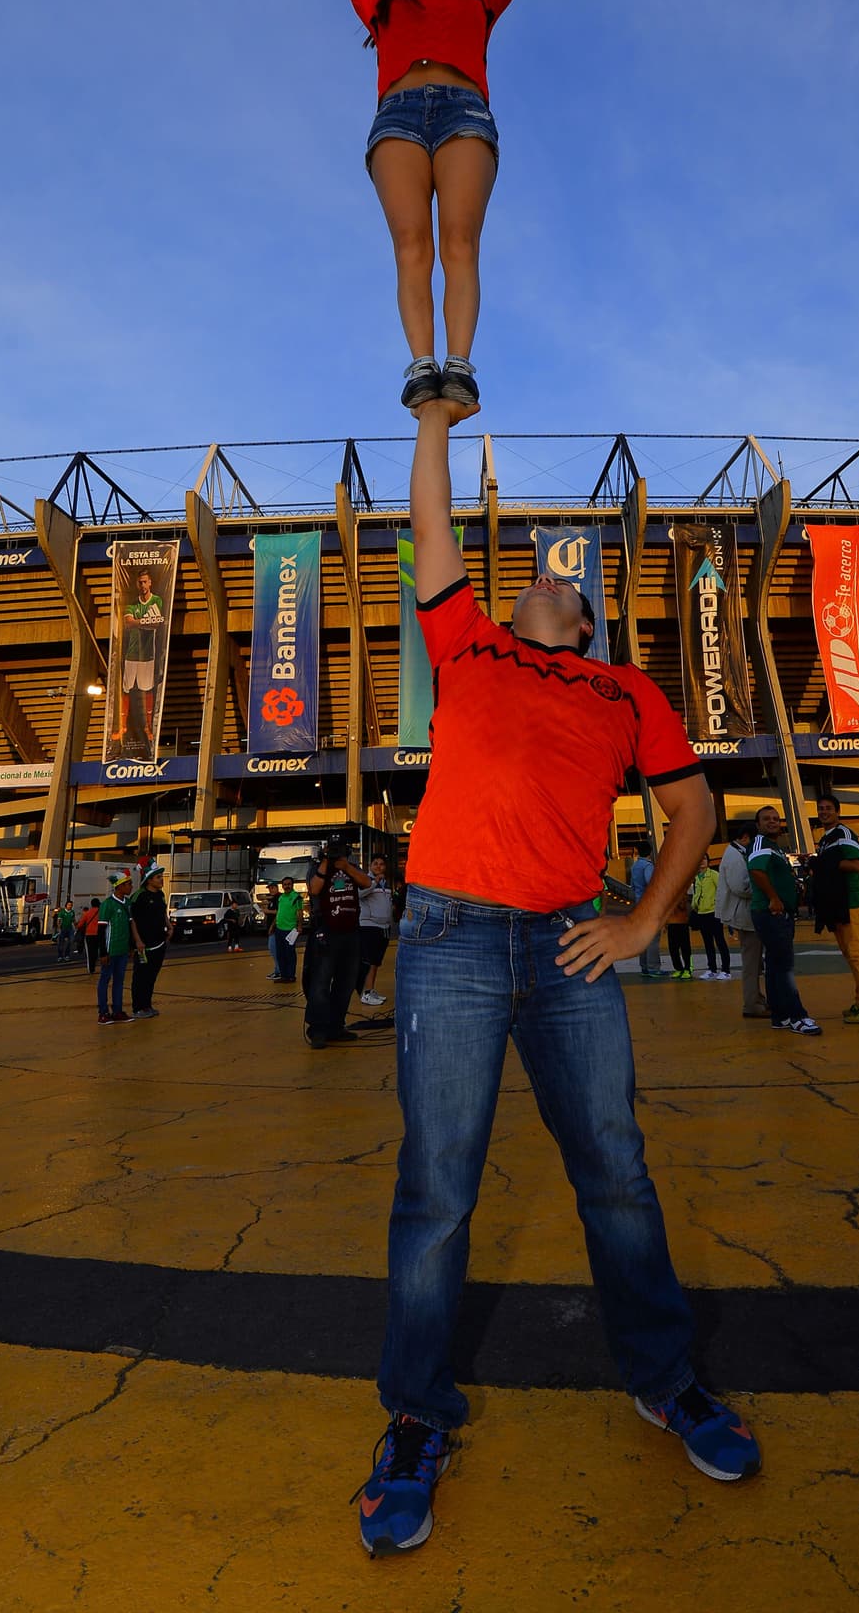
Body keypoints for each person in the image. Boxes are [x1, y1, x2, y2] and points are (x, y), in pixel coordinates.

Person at [353, 399, 759, 1559]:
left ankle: (664, 1380)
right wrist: (433, 416)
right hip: (451, 937)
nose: (539, 583)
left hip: (572, 939)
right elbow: (429, 519)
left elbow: (693, 807)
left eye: (557, 588)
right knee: (437, 1187)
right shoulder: (467, 646)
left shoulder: (625, 692)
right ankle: (418, 1417)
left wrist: (642, 919)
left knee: (615, 1174)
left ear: (581, 623)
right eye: (526, 579)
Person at [244, 0, 620, 419]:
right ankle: (423, 365)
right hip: (395, 119)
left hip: (465, 114)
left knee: (459, 244)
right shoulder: (380, 3)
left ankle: (460, 367)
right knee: (411, 247)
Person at [748, 811, 820, 1035]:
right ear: (757, 824)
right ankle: (797, 1016)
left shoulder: (775, 847)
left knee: (775, 965)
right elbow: (757, 870)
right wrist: (774, 898)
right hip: (772, 913)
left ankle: (780, 1015)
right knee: (784, 966)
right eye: (766, 818)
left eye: (775, 818)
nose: (772, 821)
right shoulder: (760, 843)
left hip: (779, 913)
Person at [810, 797, 859, 1024]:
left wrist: (823, 864)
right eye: (820, 809)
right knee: (850, 955)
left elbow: (857, 866)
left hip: (849, 901)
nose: (823, 812)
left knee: (858, 954)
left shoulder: (844, 835)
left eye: (828, 809)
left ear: (838, 812)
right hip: (836, 903)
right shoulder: (826, 838)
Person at [303, 836, 372, 1048]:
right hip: (326, 931)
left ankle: (336, 1027)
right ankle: (318, 1029)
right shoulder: (317, 867)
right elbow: (314, 889)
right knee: (321, 982)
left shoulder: (352, 867)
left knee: (346, 982)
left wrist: (346, 867)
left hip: (350, 931)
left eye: (339, 849)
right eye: (332, 849)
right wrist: (326, 862)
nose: (336, 853)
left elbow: (367, 882)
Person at [111, 570, 165, 757]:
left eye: (145, 582)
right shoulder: (132, 604)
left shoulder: (156, 601)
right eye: (139, 582)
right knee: (126, 690)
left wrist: (139, 622)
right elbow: (129, 623)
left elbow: (157, 624)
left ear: (150, 583)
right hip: (131, 654)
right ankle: (123, 727)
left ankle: (148, 728)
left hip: (147, 655)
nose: (142, 585)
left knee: (147, 690)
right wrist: (145, 622)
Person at [716, 821, 766, 1019]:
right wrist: (765, 889)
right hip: (744, 914)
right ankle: (752, 1003)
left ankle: (756, 998)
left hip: (741, 913)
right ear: (745, 837)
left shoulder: (734, 853)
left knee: (753, 961)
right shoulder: (736, 857)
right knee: (752, 962)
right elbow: (741, 887)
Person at [129, 863, 173, 1019]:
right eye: (158, 877)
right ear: (149, 880)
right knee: (141, 976)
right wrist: (137, 941)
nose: (162, 880)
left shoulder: (160, 895)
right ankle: (138, 1007)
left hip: (159, 941)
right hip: (144, 944)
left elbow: (163, 913)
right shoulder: (139, 896)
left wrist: (169, 926)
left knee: (152, 976)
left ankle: (147, 1005)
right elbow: (132, 920)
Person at [357, 852, 394, 1006]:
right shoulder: (366, 880)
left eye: (382, 864)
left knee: (376, 962)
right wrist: (373, 883)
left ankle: (370, 990)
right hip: (369, 926)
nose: (379, 866)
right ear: (370, 866)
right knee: (370, 961)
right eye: (375, 863)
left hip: (384, 927)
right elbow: (358, 894)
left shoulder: (386, 883)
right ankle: (365, 992)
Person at [97, 871, 133, 1024]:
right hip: (110, 951)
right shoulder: (107, 904)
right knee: (105, 980)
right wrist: (103, 952)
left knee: (119, 981)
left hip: (123, 950)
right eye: (128, 884)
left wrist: (131, 946)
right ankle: (103, 1013)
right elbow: (100, 931)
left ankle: (117, 1010)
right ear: (119, 887)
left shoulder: (128, 903)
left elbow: (131, 926)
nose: (131, 887)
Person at [690, 852, 731, 980]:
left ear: (708, 861)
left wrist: (720, 907)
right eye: (700, 859)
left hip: (714, 912)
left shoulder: (713, 875)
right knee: (707, 943)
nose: (702, 861)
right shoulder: (697, 878)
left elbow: (722, 891)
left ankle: (726, 970)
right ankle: (711, 968)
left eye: (704, 859)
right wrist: (694, 906)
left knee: (720, 941)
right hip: (701, 913)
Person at [629, 839, 662, 978]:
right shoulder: (648, 866)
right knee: (653, 937)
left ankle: (644, 966)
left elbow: (632, 886)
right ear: (650, 852)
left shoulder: (635, 866)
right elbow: (651, 883)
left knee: (642, 936)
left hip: (638, 904)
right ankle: (653, 967)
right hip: (649, 905)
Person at [271, 876, 304, 983]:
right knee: (280, 954)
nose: (287, 886)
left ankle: (291, 976)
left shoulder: (296, 897)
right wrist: (273, 926)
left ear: (292, 885)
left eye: (289, 884)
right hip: (279, 929)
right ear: (282, 886)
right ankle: (284, 975)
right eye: (285, 884)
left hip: (291, 930)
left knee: (290, 953)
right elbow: (279, 913)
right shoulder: (281, 898)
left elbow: (300, 912)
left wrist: (299, 926)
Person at [665, 884, 693, 980]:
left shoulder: (682, 891)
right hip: (671, 922)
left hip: (682, 922)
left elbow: (683, 905)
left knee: (685, 947)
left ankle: (687, 968)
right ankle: (678, 968)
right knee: (673, 948)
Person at [77, 900, 102, 977]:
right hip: (100, 934)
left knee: (90, 952)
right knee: (100, 950)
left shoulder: (87, 913)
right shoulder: (102, 912)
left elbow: (80, 925)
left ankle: (91, 968)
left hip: (89, 935)